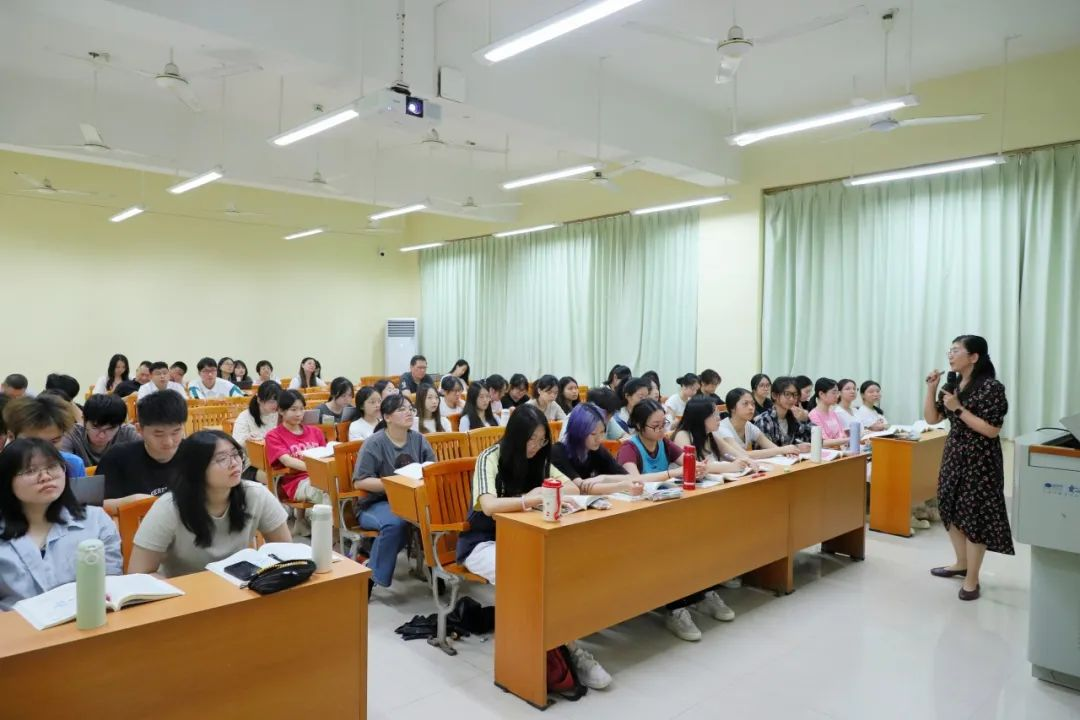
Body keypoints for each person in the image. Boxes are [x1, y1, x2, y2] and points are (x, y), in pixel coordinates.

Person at [454, 405, 610, 688]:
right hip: (483, 542)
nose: (536, 446)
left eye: (541, 440)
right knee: (528, 577)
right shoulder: (490, 457)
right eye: (531, 440)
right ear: (515, 436)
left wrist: (544, 490)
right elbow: (488, 506)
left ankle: (559, 645)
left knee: (565, 570)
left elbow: (572, 488)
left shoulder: (540, 458)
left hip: (527, 538)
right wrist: (531, 498)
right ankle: (562, 651)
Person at [617, 400, 733, 641]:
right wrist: (672, 473)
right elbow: (634, 481)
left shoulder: (664, 443)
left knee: (702, 538)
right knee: (673, 548)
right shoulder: (629, 448)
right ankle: (676, 608)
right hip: (639, 518)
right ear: (639, 426)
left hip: (667, 512)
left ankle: (702, 592)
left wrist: (699, 468)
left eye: (664, 424)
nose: (662, 430)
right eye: (656, 426)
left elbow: (687, 464)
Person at [127, 430, 291, 578]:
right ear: (196, 469)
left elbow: (287, 553)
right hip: (187, 595)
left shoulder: (256, 494)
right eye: (222, 459)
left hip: (241, 590)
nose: (234, 463)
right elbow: (138, 574)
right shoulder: (169, 508)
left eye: (235, 454)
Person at [924, 335, 1012, 601]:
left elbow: (992, 430)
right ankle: (961, 563)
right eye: (949, 350)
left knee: (975, 516)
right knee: (949, 506)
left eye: (956, 350)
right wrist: (931, 389)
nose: (950, 355)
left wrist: (958, 409)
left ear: (974, 357)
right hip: (954, 455)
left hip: (981, 460)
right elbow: (932, 418)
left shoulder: (991, 387)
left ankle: (972, 579)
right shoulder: (952, 385)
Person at [0, 438, 121, 611]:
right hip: (16, 625)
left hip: (87, 619)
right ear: (6, 480)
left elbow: (112, 583)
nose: (45, 477)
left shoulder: (95, 520)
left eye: (52, 467)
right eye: (30, 470)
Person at [352, 394, 435, 590]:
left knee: (436, 516)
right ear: (387, 417)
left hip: (411, 501)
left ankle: (435, 568)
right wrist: (395, 484)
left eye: (410, 409)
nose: (408, 413)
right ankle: (372, 576)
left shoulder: (419, 440)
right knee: (396, 523)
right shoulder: (374, 443)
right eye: (401, 409)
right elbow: (360, 481)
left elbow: (432, 470)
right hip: (375, 503)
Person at [97, 390, 187, 514]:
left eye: (175, 432)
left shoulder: (194, 453)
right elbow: (95, 506)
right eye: (158, 434)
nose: (168, 442)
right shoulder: (118, 458)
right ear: (139, 429)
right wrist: (134, 502)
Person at [263, 390, 329, 535]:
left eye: (301, 409)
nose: (299, 414)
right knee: (329, 490)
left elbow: (325, 456)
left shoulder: (315, 432)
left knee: (341, 486)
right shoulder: (274, 436)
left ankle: (331, 531)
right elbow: (287, 460)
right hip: (296, 483)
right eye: (293, 409)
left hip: (319, 477)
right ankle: (329, 536)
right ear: (281, 411)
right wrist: (315, 468)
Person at [551, 403, 640, 495]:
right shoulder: (558, 452)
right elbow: (582, 487)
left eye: (602, 432)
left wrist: (605, 478)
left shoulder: (598, 451)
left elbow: (628, 477)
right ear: (578, 432)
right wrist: (622, 485)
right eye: (593, 434)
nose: (599, 439)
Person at [2, 396, 86, 478]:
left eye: (54, 441)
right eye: (34, 442)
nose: (44, 449)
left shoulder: (73, 465)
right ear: (11, 437)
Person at [716, 388, 807, 459]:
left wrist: (786, 451)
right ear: (732, 408)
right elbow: (743, 454)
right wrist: (782, 450)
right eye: (745, 404)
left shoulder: (749, 426)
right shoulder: (722, 428)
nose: (751, 408)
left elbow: (771, 447)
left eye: (753, 404)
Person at [672, 398, 753, 475]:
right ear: (700, 417)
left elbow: (731, 452)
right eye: (714, 414)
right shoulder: (682, 435)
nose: (719, 418)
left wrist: (747, 460)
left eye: (718, 413)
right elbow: (693, 465)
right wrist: (732, 466)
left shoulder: (710, 434)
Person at [61, 394, 141, 467]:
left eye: (110, 429)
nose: (102, 436)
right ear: (84, 420)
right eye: (95, 427)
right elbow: (63, 467)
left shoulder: (128, 433)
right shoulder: (71, 434)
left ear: (120, 424)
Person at [231, 381, 281, 480]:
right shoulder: (245, 417)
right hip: (250, 465)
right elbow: (235, 447)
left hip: (276, 460)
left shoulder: (279, 414)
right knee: (276, 479)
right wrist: (247, 440)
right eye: (271, 401)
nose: (276, 404)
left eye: (278, 400)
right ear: (259, 400)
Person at [752, 376, 813, 447]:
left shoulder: (794, 418)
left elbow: (813, 438)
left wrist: (805, 418)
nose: (792, 399)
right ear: (774, 395)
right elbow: (765, 450)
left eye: (795, 395)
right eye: (787, 394)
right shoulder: (764, 420)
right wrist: (796, 447)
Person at [808, 378, 853, 447]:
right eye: (834, 392)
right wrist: (849, 439)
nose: (837, 396)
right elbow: (822, 442)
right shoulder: (813, 415)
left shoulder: (833, 413)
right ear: (821, 394)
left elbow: (842, 434)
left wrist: (846, 439)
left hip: (839, 450)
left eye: (837, 393)